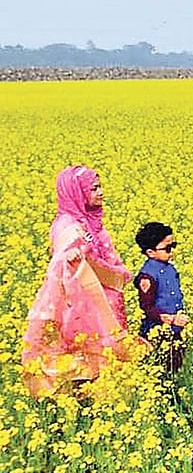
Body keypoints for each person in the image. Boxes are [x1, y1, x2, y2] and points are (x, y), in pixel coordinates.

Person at [22, 166, 133, 398]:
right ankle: (81, 411)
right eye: (94, 189)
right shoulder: (67, 226)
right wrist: (74, 258)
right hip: (83, 307)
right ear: (77, 193)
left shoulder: (91, 220)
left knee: (105, 362)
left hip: (103, 299)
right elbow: (62, 262)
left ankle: (106, 406)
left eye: (100, 187)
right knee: (85, 360)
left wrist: (116, 275)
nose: (101, 192)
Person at [134, 222, 189, 373]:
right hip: (157, 331)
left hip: (176, 329)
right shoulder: (147, 276)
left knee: (175, 367)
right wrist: (170, 319)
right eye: (167, 248)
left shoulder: (170, 268)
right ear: (151, 252)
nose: (172, 252)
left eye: (173, 246)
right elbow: (147, 307)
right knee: (158, 368)